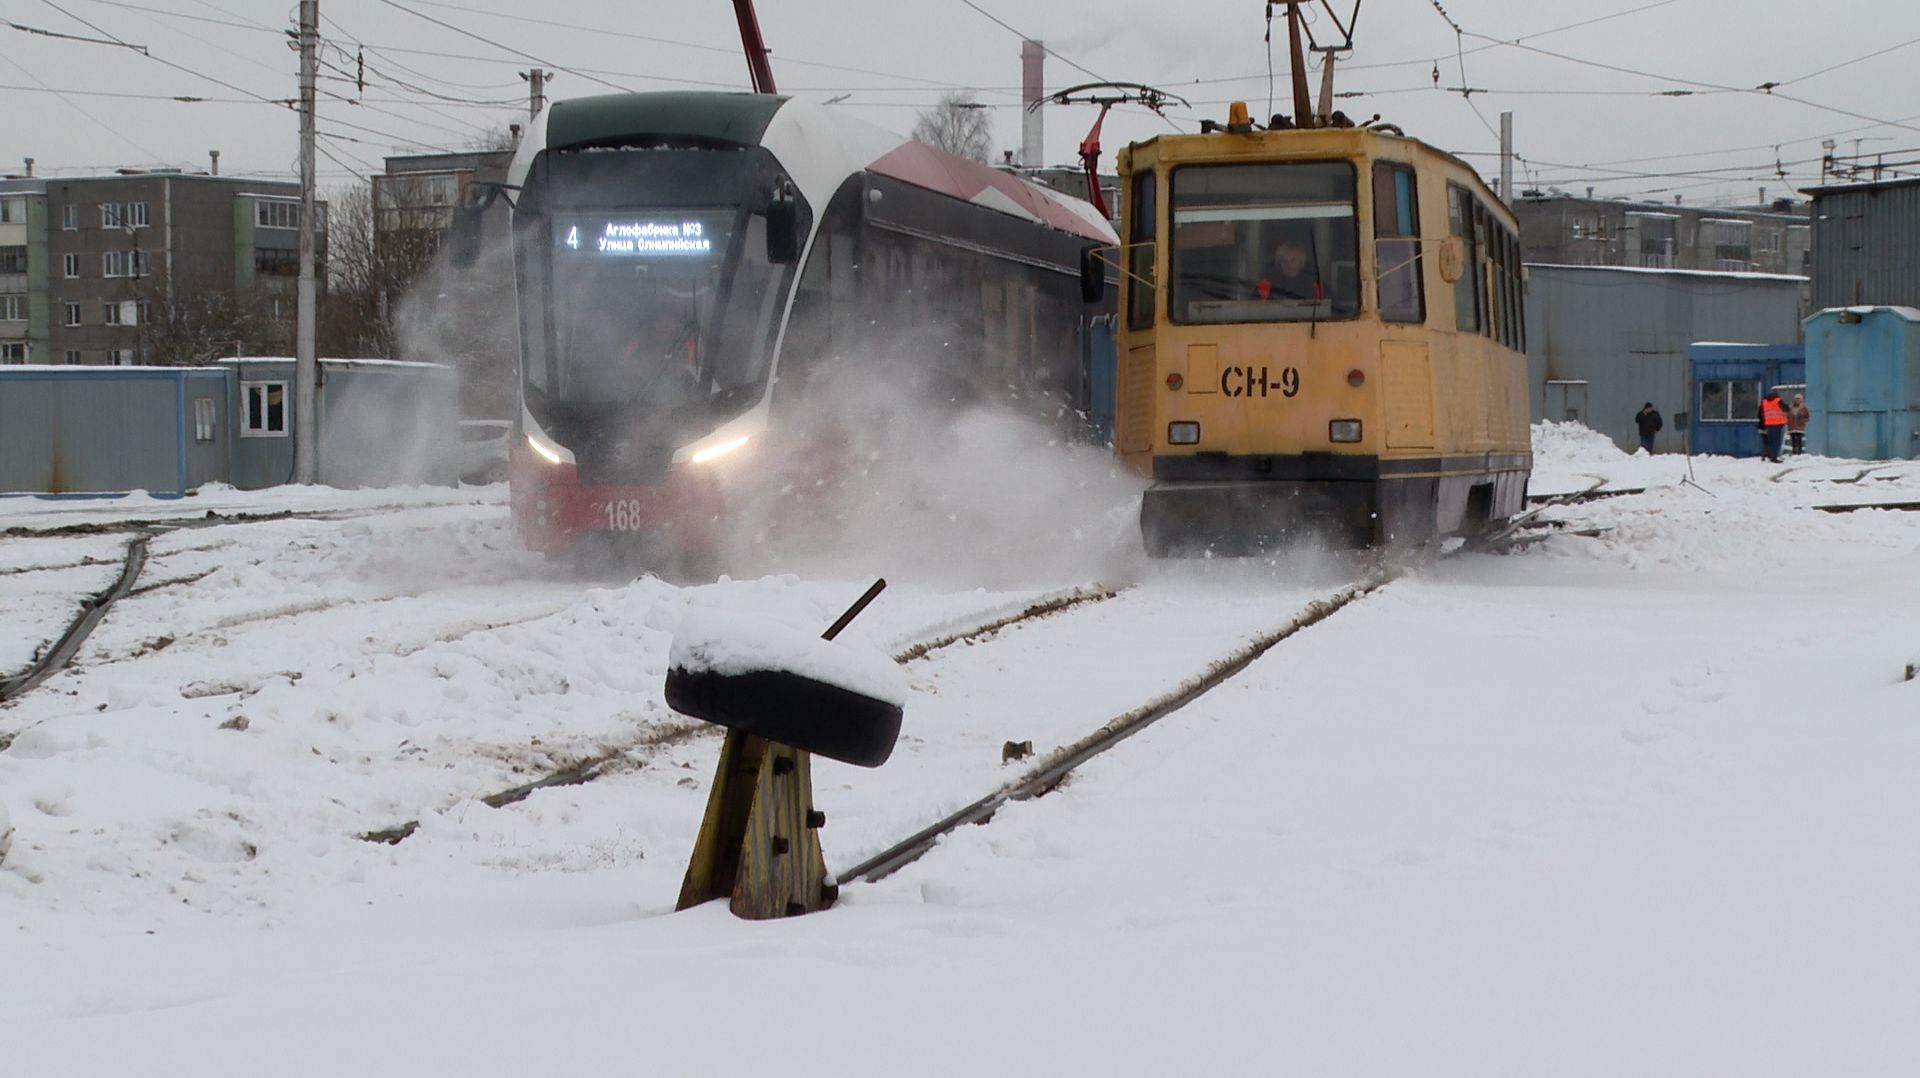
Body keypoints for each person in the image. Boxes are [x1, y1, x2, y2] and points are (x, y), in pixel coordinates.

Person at [1255, 235, 1321, 302]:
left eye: (1293, 261)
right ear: (1279, 264)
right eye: (1284, 261)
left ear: (1302, 263)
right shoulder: (1266, 285)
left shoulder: (1315, 285)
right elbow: (1254, 306)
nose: (1289, 266)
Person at [1757, 389, 1789, 463]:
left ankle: (1770, 455)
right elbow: (1786, 409)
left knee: (1770, 441)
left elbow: (1760, 413)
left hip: (1768, 424)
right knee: (1776, 441)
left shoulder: (1764, 402)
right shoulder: (1778, 400)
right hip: (1778, 424)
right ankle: (1774, 457)